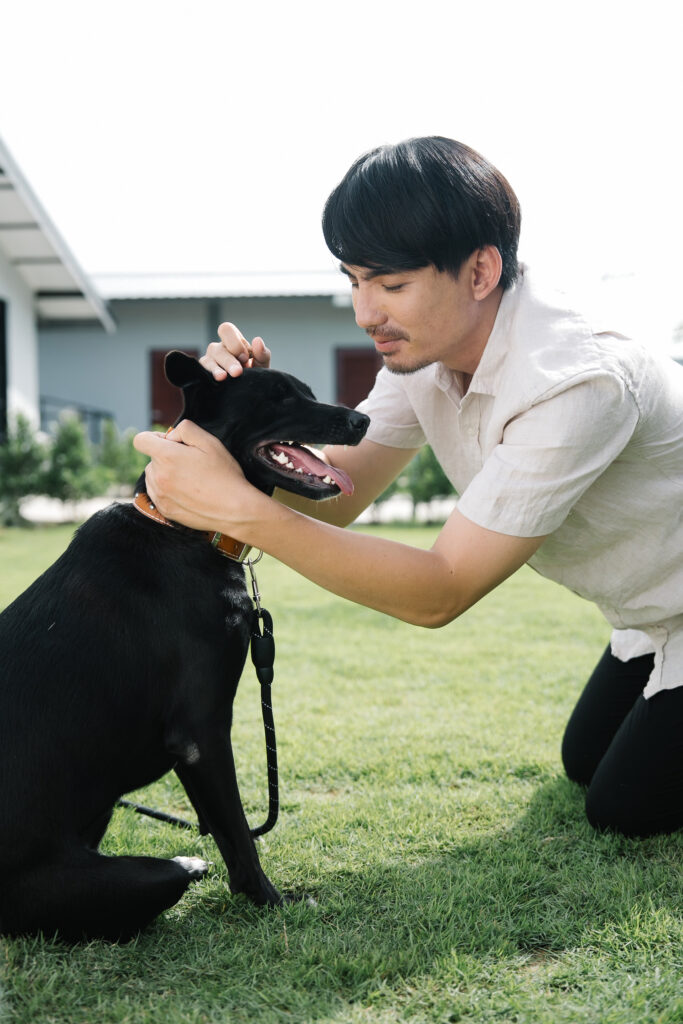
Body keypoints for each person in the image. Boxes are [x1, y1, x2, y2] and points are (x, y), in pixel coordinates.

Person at [134, 136, 683, 840]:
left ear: (480, 271)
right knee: (585, 763)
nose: (365, 312)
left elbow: (440, 590)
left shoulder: (574, 379)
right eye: (354, 281)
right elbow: (340, 493)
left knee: (624, 809)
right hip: (650, 613)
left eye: (390, 286)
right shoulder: (425, 356)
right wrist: (234, 426)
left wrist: (239, 509)